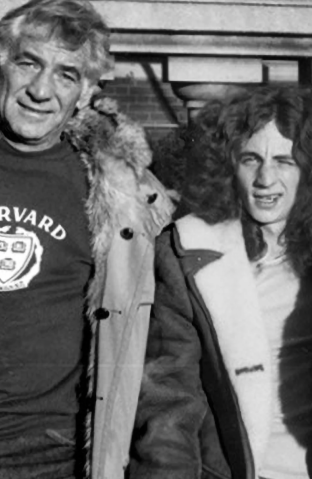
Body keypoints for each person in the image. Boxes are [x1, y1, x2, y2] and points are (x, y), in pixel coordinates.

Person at [129, 85, 312, 479]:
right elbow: (168, 401)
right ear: (229, 166)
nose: (266, 178)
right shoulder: (189, 253)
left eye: (285, 160)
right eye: (251, 159)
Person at [0, 0, 174, 478]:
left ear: (86, 92)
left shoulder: (125, 194)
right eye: (28, 63)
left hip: (55, 453)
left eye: (65, 74)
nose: (40, 90)